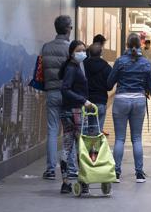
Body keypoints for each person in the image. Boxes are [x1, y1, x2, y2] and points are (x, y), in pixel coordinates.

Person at [107, 33, 151, 183]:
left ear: (126, 45)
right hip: (139, 100)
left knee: (120, 139)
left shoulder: (120, 61)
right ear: (140, 45)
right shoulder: (146, 63)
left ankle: (116, 173)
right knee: (137, 139)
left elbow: (109, 83)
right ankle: (139, 174)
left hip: (121, 99)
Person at [58, 40, 95, 194]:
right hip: (76, 111)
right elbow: (65, 89)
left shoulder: (68, 67)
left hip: (66, 111)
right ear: (72, 52)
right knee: (82, 146)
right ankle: (83, 181)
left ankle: (65, 182)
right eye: (79, 50)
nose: (82, 53)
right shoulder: (73, 69)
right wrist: (83, 100)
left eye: (84, 50)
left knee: (67, 145)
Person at [41, 15, 72, 180]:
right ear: (67, 29)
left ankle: (51, 169)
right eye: (71, 27)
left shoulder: (46, 48)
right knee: (69, 131)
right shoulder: (70, 49)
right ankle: (70, 168)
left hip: (52, 92)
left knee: (52, 131)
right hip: (67, 94)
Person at [83, 43, 113, 134]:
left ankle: (88, 146)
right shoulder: (106, 67)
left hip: (86, 101)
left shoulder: (83, 65)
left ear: (89, 53)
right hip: (101, 100)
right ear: (101, 53)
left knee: (88, 127)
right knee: (98, 129)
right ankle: (95, 147)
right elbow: (109, 86)